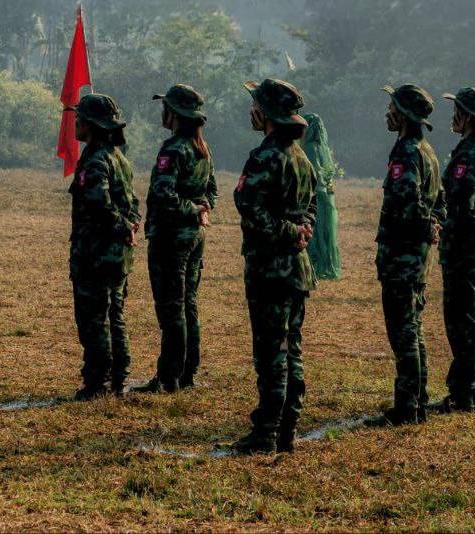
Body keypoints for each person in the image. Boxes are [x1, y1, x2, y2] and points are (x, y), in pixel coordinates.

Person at [231, 78, 316, 454]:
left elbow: (251, 207)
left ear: (264, 114)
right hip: (296, 268)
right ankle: (288, 429)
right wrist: (301, 231)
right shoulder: (301, 158)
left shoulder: (266, 157)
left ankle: (267, 431)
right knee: (290, 348)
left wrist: (287, 232)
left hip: (272, 269)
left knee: (271, 353)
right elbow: (311, 208)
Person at [136, 84, 217, 395]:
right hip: (195, 237)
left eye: (166, 107)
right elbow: (212, 191)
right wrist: (202, 209)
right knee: (188, 305)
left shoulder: (174, 149)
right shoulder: (202, 149)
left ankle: (169, 376)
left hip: (171, 238)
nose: (162, 113)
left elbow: (163, 194)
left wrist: (193, 208)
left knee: (172, 309)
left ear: (176, 114)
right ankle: (187, 372)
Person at [373, 84, 442, 426]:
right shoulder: (428, 151)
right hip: (418, 256)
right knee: (413, 329)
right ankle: (419, 400)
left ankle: (407, 407)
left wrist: (424, 223)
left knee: (403, 332)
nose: (387, 112)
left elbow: (407, 202)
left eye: (391, 107)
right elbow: (438, 203)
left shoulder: (407, 152)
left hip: (403, 255)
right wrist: (432, 224)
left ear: (402, 115)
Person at [429, 87, 475, 415]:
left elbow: (463, 205)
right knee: (474, 321)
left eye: (456, 110)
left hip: (464, 252)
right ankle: (470, 389)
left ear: (467, 117)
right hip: (472, 251)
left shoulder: (470, 154)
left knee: (464, 323)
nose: (452, 117)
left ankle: (465, 392)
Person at [68, 93, 141, 401]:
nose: (75, 123)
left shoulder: (96, 160)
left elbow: (101, 204)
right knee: (115, 315)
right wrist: (130, 226)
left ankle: (97, 381)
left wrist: (124, 227)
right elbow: (133, 203)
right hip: (116, 254)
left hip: (96, 254)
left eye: (79, 118)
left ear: (90, 125)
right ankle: (118, 378)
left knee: (94, 319)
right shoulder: (118, 158)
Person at [300, 112, 341, 280]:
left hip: (314, 197)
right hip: (327, 197)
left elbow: (310, 175)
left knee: (314, 231)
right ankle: (327, 264)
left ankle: (315, 264)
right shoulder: (324, 148)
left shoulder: (308, 148)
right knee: (326, 231)